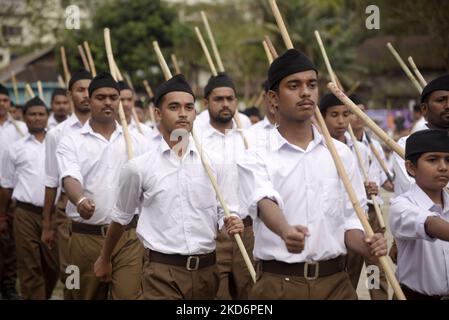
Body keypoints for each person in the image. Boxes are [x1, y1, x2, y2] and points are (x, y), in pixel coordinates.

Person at [237, 49, 387, 300]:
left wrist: (368, 246)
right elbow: (264, 201)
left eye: (311, 84)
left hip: (337, 284)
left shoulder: (341, 154)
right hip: (279, 285)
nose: (305, 92)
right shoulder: (255, 153)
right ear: (273, 98)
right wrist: (285, 230)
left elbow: (350, 222)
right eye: (294, 85)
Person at [94, 74, 244, 300]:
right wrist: (104, 258)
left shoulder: (214, 163)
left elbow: (226, 210)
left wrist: (232, 220)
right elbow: (121, 218)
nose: (183, 113)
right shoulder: (139, 168)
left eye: (189, 107)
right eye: (174, 107)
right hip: (161, 273)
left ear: (195, 112)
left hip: (207, 271)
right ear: (157, 113)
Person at [55, 72, 150, 300]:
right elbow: (69, 177)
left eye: (113, 97)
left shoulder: (138, 141)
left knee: (129, 296)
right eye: (101, 97)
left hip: (128, 239)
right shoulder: (71, 140)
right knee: (77, 292)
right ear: (89, 100)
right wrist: (79, 201)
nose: (108, 102)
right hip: (83, 238)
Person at [320, 92, 388, 299]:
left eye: (346, 114)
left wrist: (373, 188)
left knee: (374, 265)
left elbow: (381, 179)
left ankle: (378, 296)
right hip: (341, 217)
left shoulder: (363, 149)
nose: (342, 121)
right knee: (345, 269)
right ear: (322, 117)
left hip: (368, 214)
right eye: (334, 115)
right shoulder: (320, 149)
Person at [196, 73, 254, 300]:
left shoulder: (249, 138)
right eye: (218, 99)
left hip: (247, 231)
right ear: (206, 103)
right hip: (212, 233)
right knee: (216, 295)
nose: (225, 104)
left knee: (249, 295)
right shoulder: (195, 139)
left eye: (230, 99)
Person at [40, 70, 92, 299]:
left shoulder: (111, 129)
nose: (86, 95)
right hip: (67, 212)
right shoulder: (56, 134)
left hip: (104, 211)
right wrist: (47, 224)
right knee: (70, 270)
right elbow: (51, 181)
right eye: (80, 90)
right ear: (70, 93)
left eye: (91, 90)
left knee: (98, 273)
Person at [0, 97, 58, 299]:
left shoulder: (59, 144)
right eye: (32, 114)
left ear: (47, 117)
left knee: (55, 266)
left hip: (55, 214)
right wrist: (3, 216)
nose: (37, 118)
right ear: (24, 118)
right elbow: (6, 185)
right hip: (25, 214)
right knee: (29, 266)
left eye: (41, 114)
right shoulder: (14, 149)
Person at [390, 129, 449, 300]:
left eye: (448, 159)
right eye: (432, 160)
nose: (443, 167)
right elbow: (430, 224)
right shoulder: (401, 206)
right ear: (410, 167)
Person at [0, 83, 27, 300]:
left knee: (9, 242)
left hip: (10, 191)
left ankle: (9, 285)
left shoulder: (20, 129)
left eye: (5, 101)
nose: (2, 104)